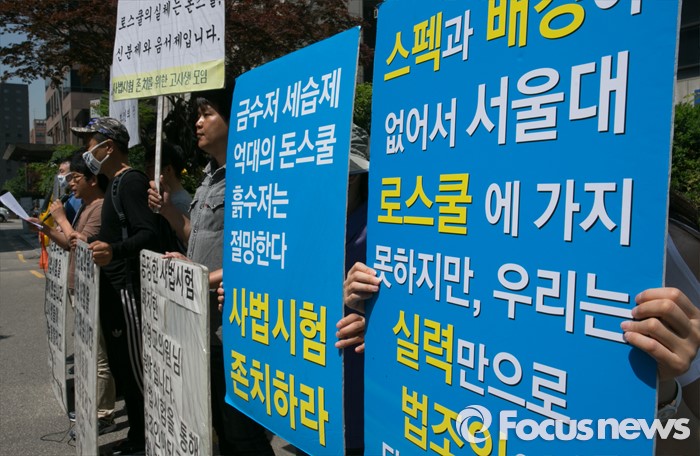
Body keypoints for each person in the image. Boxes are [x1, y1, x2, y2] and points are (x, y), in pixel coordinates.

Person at [148, 87, 274, 456]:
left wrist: (200, 276)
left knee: (244, 435)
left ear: (235, 120)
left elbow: (260, 253)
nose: (198, 123)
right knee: (219, 428)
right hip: (201, 325)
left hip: (231, 327)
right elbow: (197, 238)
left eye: (208, 114)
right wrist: (169, 213)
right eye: (198, 115)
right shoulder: (208, 178)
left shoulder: (252, 176)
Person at [71, 117, 161, 455]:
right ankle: (138, 434)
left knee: (136, 370)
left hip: (127, 291)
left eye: (90, 144)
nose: (86, 151)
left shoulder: (131, 182)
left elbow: (148, 233)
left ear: (108, 147)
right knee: (123, 368)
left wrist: (115, 251)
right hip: (112, 291)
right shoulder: (113, 184)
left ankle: (147, 437)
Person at [28, 150, 117, 434]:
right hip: (76, 287)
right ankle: (93, 407)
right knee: (86, 351)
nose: (70, 184)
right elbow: (68, 243)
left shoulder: (100, 207)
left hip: (90, 290)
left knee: (98, 354)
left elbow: (81, 243)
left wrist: (60, 218)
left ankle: (103, 414)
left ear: (93, 179)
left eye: (75, 178)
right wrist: (45, 228)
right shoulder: (85, 206)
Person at [145, 142, 192, 215]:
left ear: (168, 170)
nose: (146, 172)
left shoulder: (179, 204)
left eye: (150, 167)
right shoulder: (173, 200)